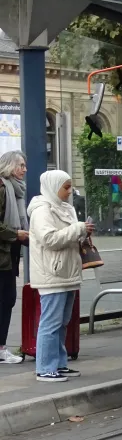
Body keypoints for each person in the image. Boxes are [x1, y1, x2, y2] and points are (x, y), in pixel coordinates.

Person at [27, 170, 94, 382]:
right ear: (52, 187)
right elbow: (49, 239)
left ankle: (58, 363)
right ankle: (45, 368)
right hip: (52, 273)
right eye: (65, 187)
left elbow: (65, 237)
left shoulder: (65, 208)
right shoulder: (42, 210)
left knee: (62, 321)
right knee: (51, 322)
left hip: (66, 272)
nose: (69, 192)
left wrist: (82, 232)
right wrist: (78, 229)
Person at [0, 151, 28, 364]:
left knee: (7, 300)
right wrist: (15, 234)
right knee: (5, 300)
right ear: (9, 166)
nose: (24, 169)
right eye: (21, 165)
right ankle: (1, 349)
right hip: (2, 255)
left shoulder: (16, 191)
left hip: (9, 253)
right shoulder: (2, 188)